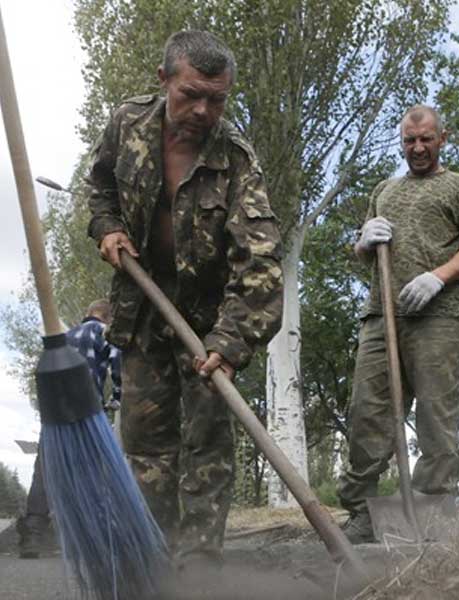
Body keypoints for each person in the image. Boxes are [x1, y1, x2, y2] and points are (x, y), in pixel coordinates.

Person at [85, 31, 283, 568]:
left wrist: (230, 339)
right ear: (163, 79)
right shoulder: (127, 124)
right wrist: (106, 228)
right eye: (190, 94)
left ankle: (197, 571)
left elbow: (261, 264)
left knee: (207, 449)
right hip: (142, 309)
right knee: (147, 445)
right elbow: (99, 187)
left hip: (209, 320)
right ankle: (151, 560)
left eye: (216, 99)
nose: (202, 110)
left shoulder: (237, 161)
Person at [336, 105, 459, 543]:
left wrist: (437, 277)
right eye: (410, 140)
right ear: (401, 141)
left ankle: (434, 509)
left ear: (443, 138)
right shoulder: (383, 190)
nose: (418, 147)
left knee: (436, 416)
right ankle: (362, 512)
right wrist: (363, 241)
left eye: (426, 139)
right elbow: (362, 252)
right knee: (367, 412)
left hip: (436, 317)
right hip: (379, 315)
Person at [17, 299, 122, 559]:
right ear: (107, 317)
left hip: (53, 414)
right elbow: (117, 362)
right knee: (95, 471)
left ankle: (33, 533)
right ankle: (95, 537)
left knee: (45, 471)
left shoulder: (62, 337)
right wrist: (117, 397)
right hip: (86, 412)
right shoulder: (103, 332)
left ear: (87, 313)